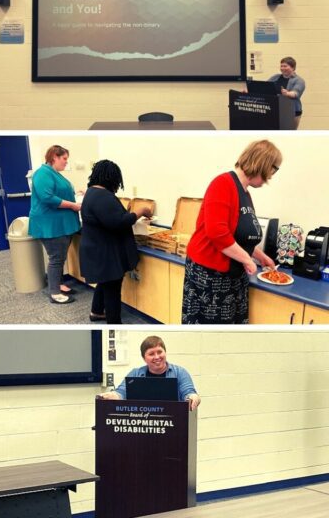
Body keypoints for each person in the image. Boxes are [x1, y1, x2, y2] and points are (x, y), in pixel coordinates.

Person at [182, 140, 281, 324]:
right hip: (210, 276)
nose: (271, 177)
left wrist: (261, 257)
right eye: (273, 171)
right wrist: (246, 259)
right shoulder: (222, 184)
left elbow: (241, 237)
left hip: (233, 276)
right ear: (263, 165)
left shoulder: (245, 193)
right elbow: (217, 233)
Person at [79, 160, 152, 324]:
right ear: (111, 178)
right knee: (112, 290)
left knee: (104, 282)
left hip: (97, 249)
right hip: (105, 253)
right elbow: (118, 222)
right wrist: (140, 211)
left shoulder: (92, 192)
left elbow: (109, 219)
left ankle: (96, 312)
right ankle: (115, 323)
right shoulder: (102, 196)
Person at [29, 144, 82, 304]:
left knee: (60, 256)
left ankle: (58, 284)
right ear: (54, 157)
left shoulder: (54, 173)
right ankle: (54, 292)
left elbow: (60, 192)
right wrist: (73, 205)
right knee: (56, 258)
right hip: (50, 224)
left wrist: (76, 194)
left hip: (60, 223)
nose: (66, 162)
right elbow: (48, 198)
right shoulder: (42, 173)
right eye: (64, 159)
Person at [98, 336, 200, 411]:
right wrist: (111, 396)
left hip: (173, 425)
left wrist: (193, 397)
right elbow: (121, 392)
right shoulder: (135, 374)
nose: (157, 357)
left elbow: (189, 392)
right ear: (144, 358)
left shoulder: (180, 372)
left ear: (165, 352)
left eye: (160, 352)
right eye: (151, 354)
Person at [269, 56, 305, 129]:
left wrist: (287, 93)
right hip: (276, 110)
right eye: (281, 66)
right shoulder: (276, 77)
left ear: (293, 68)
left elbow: (295, 93)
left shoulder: (299, 80)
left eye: (285, 66)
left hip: (292, 111)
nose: (282, 68)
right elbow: (265, 87)